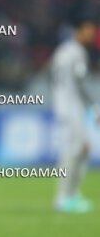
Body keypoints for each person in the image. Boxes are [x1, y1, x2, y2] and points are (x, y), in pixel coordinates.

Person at [51, 13, 99, 213]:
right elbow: (81, 82)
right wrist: (95, 105)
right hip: (72, 107)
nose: (91, 34)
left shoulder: (63, 51)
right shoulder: (76, 52)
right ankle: (63, 198)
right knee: (74, 149)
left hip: (66, 106)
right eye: (88, 30)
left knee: (83, 148)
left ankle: (72, 194)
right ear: (78, 30)